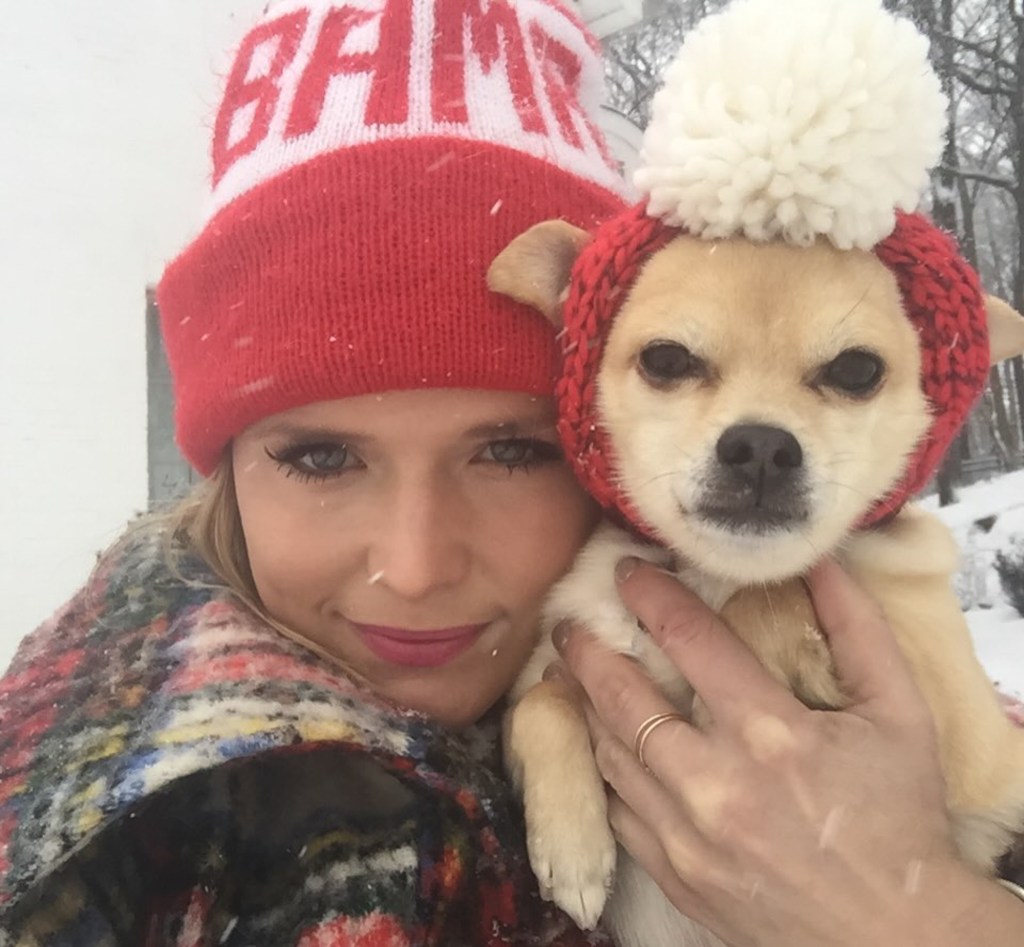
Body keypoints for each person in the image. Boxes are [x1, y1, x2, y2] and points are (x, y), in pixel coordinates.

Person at [0, 2, 1021, 947]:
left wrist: (928, 898)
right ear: (223, 468)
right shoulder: (109, 849)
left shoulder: (879, 673)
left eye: (510, 450)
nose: (414, 566)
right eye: (319, 456)